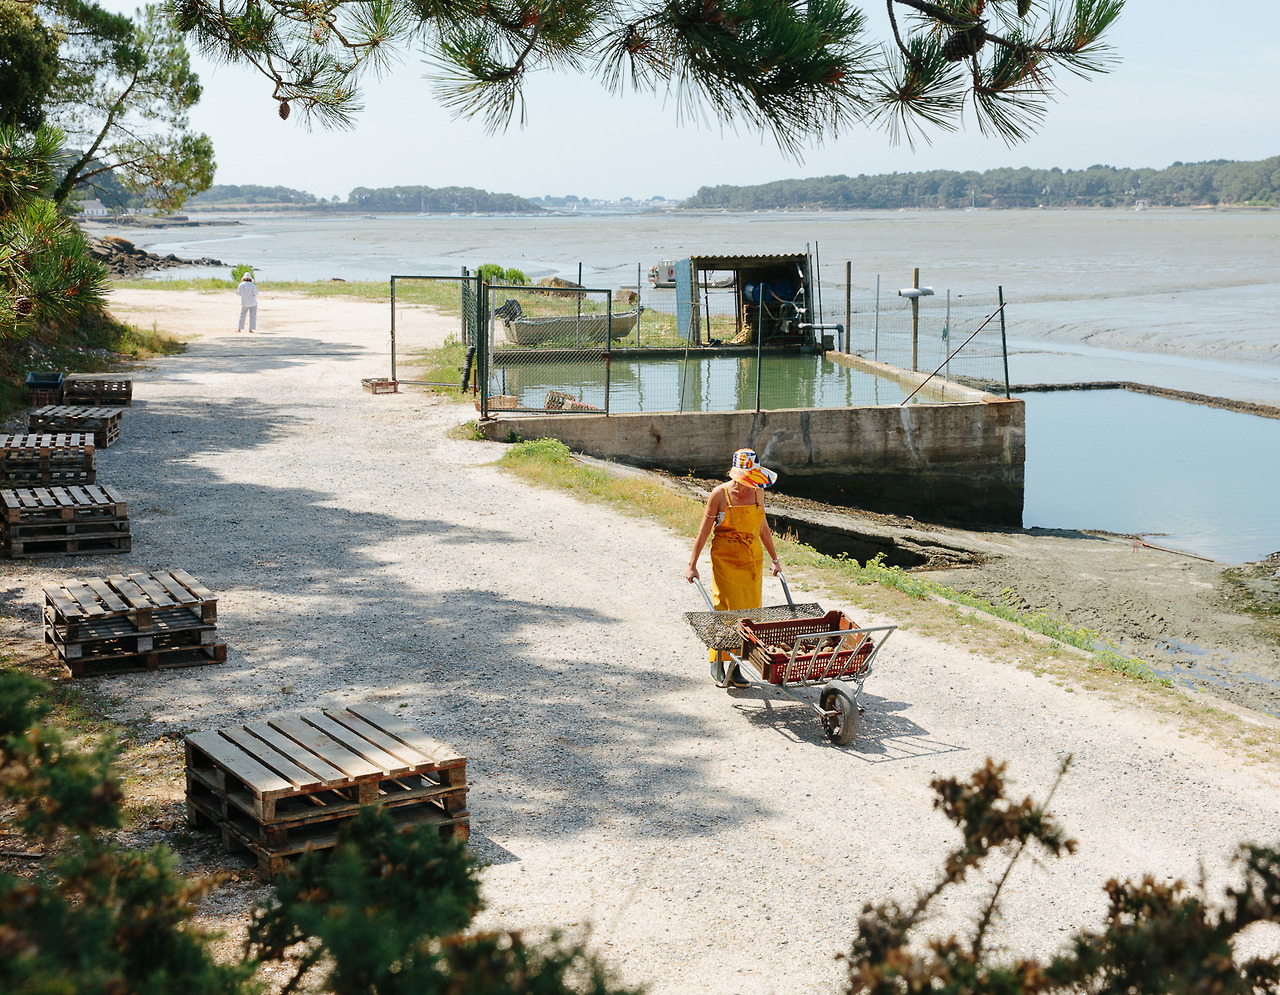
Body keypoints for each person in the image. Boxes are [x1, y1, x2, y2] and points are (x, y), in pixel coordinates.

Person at [685, 448, 782, 686]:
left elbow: (762, 527)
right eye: (746, 479)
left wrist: (775, 559)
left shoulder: (759, 492)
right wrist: (692, 565)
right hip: (725, 558)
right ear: (735, 475)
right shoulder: (719, 495)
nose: (750, 484)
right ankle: (717, 660)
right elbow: (704, 531)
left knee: (751, 614)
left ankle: (736, 665)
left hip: (752, 559)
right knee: (726, 611)